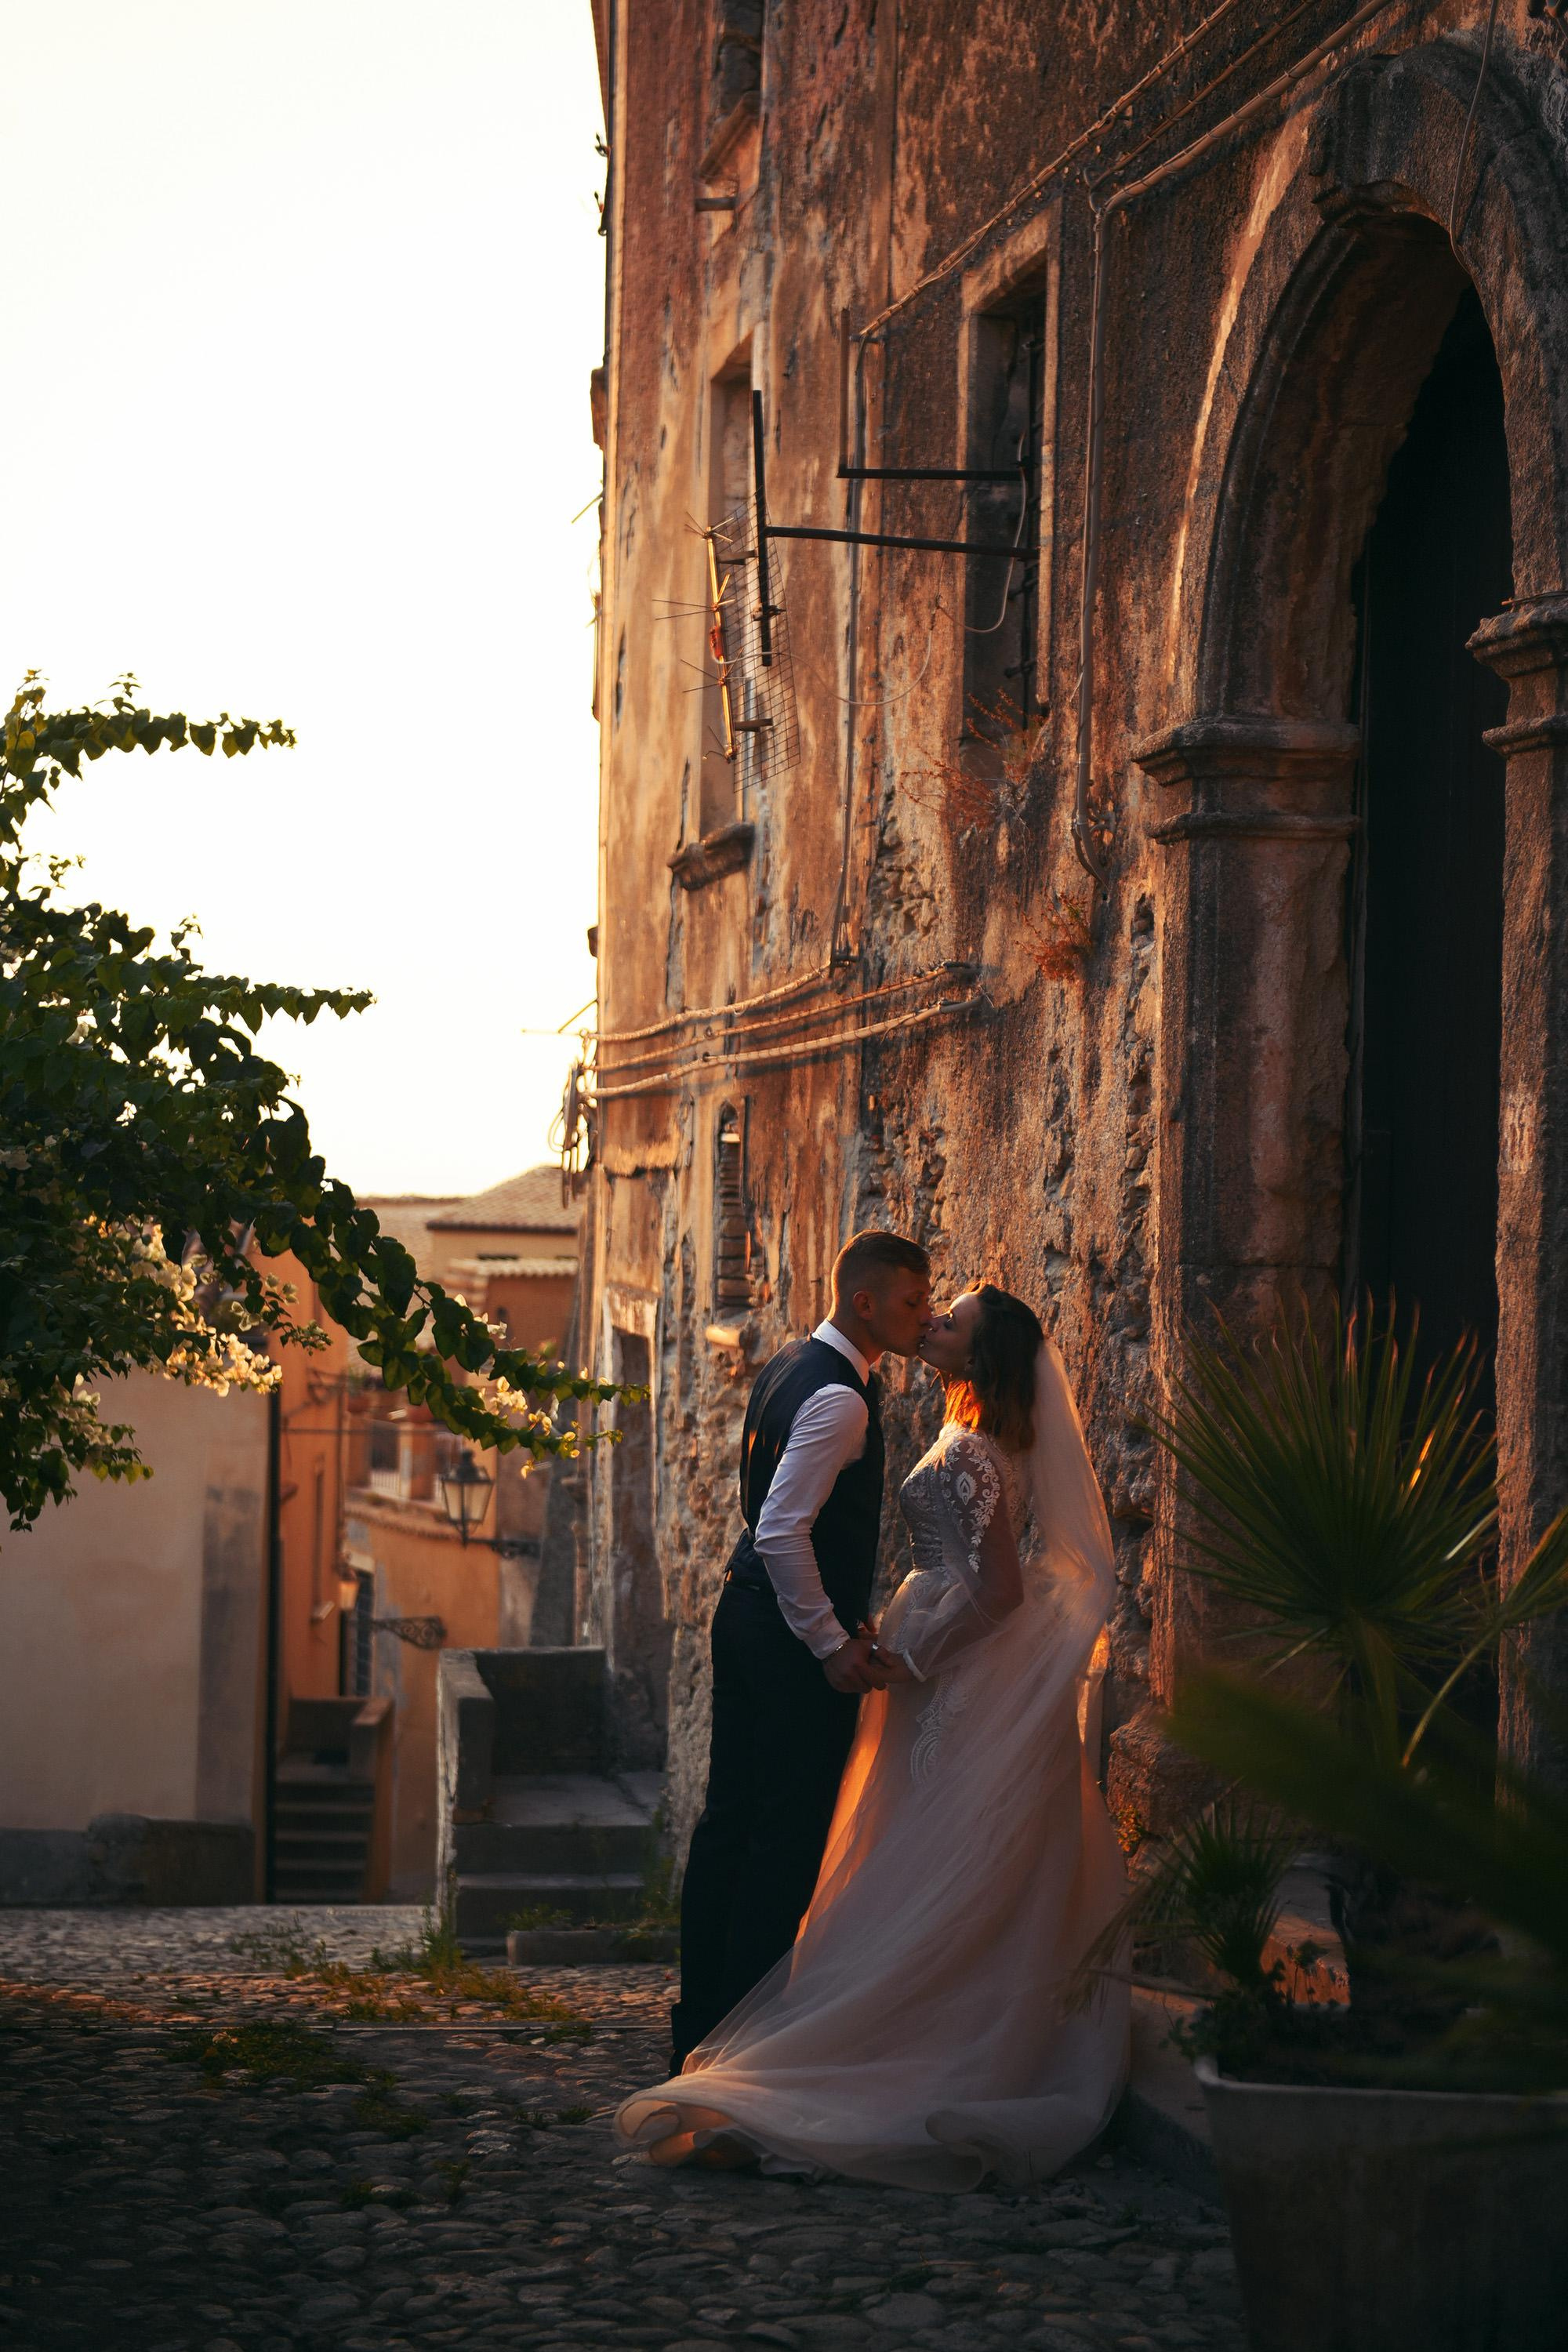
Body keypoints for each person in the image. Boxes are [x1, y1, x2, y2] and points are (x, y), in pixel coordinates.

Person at [620, 1283, 1130, 2192]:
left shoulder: (973, 1451)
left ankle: (905, 2040)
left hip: (952, 1672)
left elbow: (1001, 1593)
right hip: (933, 1662)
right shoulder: (963, 1431)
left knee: (923, 1853)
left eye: (952, 1321)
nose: (932, 1321)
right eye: (930, 1311)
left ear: (981, 1356)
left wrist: (911, 1652)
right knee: (902, 1849)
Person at [668, 1229, 933, 2073]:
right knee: (784, 1838)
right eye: (911, 1302)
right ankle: (745, 2048)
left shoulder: (790, 1361)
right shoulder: (839, 1397)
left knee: (729, 1823)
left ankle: (701, 2028)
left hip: (744, 1612)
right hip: (783, 1635)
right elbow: (783, 1529)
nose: (921, 1319)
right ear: (865, 1302)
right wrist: (827, 1640)